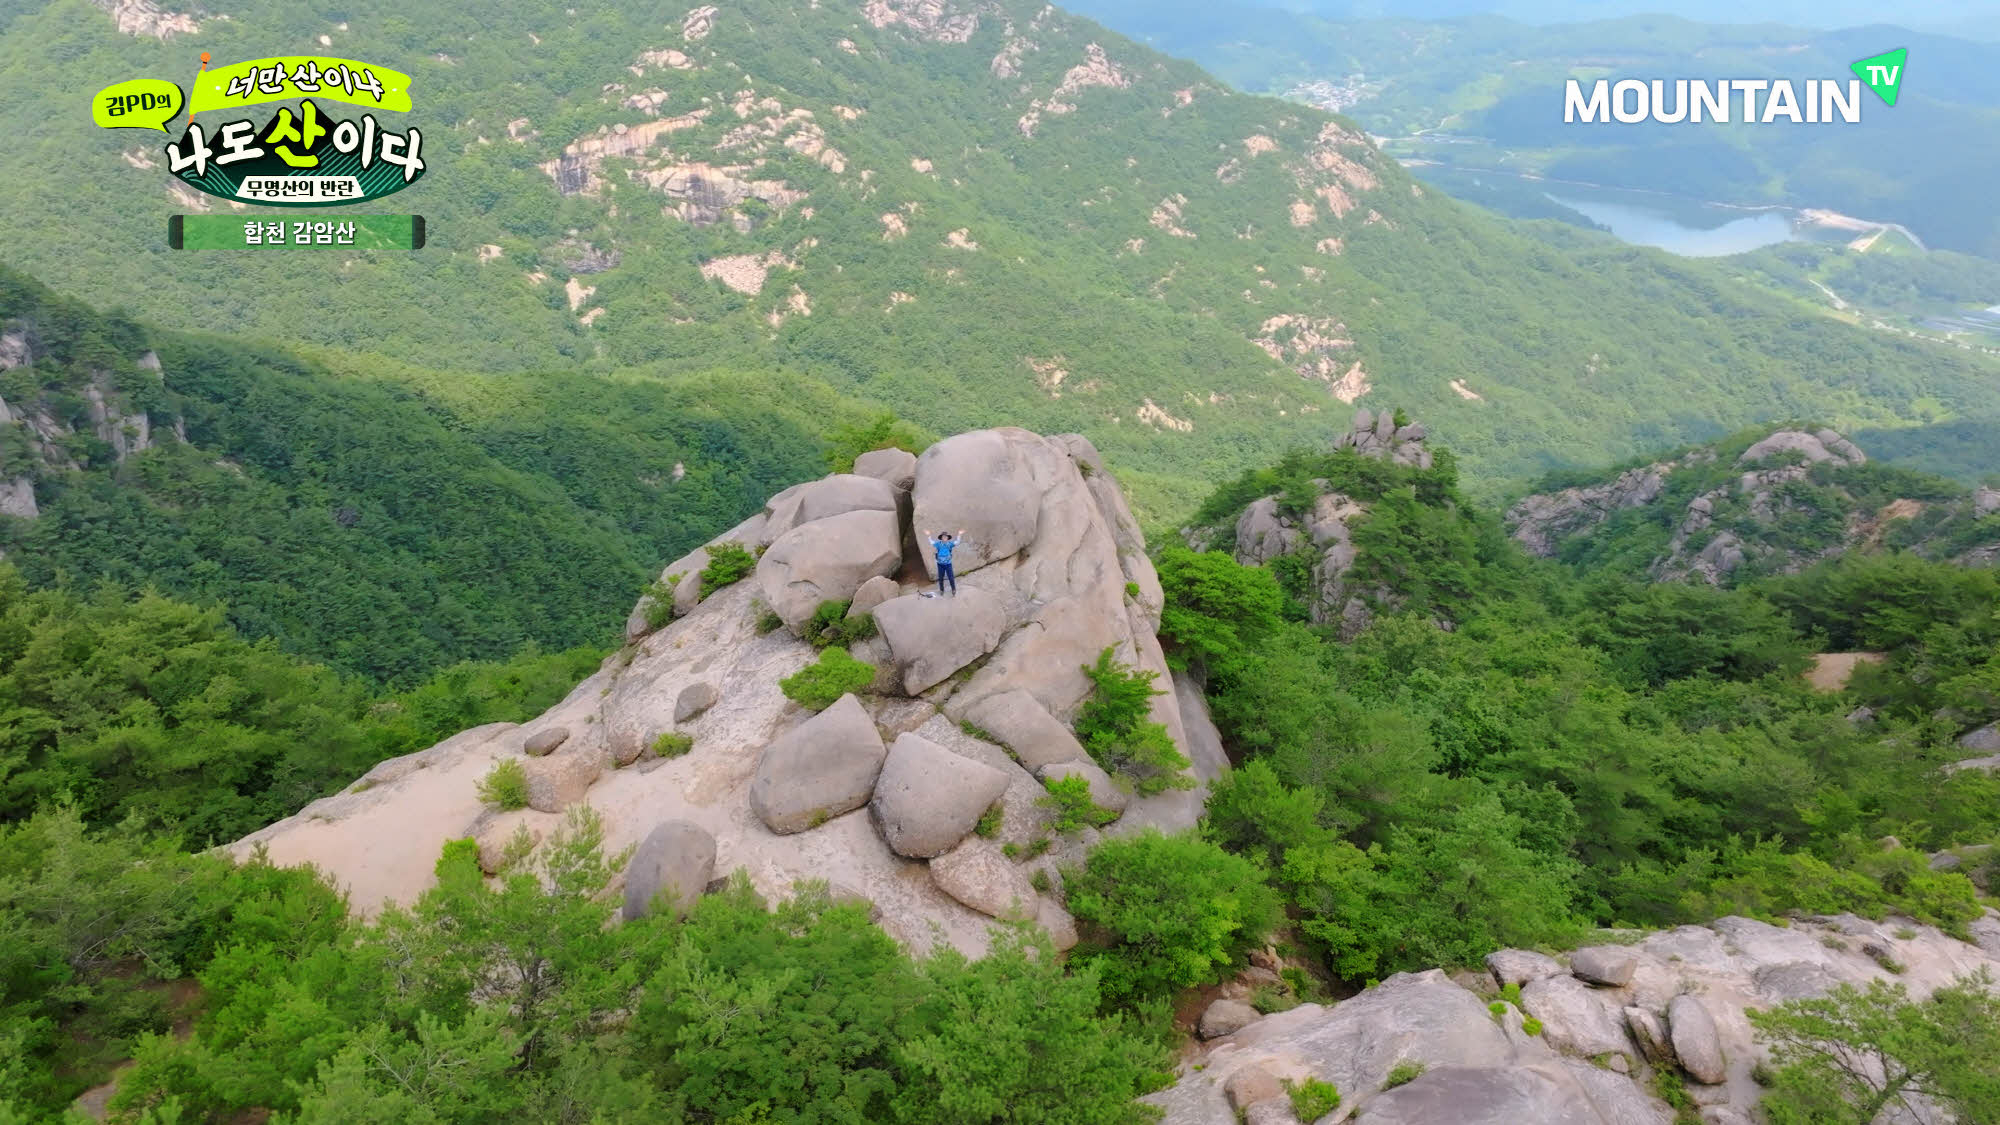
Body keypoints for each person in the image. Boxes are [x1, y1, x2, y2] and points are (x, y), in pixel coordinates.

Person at [922, 528, 965, 597]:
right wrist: (929, 536)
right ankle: (941, 590)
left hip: (948, 564)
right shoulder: (938, 544)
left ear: (947, 538)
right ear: (941, 538)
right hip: (940, 564)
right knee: (941, 578)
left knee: (951, 577)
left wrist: (959, 535)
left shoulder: (950, 544)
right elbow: (931, 542)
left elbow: (957, 542)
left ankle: (953, 589)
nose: (944, 538)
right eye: (943, 537)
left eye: (946, 537)